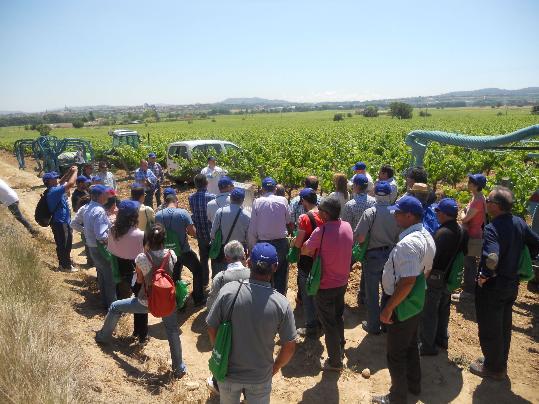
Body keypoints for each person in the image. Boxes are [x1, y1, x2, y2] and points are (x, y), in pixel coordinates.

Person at [206, 242, 297, 403]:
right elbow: (289, 346)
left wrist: (219, 352)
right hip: (260, 377)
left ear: (248, 262)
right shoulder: (281, 304)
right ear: (275, 267)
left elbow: (212, 327)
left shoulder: (228, 291)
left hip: (227, 373)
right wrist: (274, 368)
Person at [95, 223, 187, 379]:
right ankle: (178, 367)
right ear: (163, 239)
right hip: (168, 302)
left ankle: (103, 337)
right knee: (172, 331)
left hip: (147, 302)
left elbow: (138, 279)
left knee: (115, 307)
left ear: (147, 239)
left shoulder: (142, 258)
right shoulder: (171, 254)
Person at [469, 187, 539, 380]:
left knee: (490, 327)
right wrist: (522, 258)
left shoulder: (493, 228)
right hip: (511, 285)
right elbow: (535, 242)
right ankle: (499, 362)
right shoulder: (519, 222)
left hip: (493, 287)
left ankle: (493, 368)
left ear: (496, 206)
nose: (486, 203)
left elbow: (492, 257)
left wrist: (485, 275)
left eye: (489, 201)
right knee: (503, 325)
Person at [373, 196, 436, 404]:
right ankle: (413, 384)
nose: (394, 215)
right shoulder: (426, 235)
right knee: (409, 345)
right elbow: (424, 272)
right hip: (415, 300)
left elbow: (407, 281)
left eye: (398, 213)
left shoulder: (408, 244)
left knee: (395, 353)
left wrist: (388, 308)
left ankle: (397, 397)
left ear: (409, 216)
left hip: (401, 301)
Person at [303, 196, 353, 370]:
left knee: (328, 323)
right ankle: (340, 346)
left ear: (325, 214)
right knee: (338, 316)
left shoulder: (321, 231)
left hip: (325, 285)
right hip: (342, 282)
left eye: (320, 212)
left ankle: (335, 362)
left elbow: (306, 249)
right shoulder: (347, 226)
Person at [419, 198, 466, 355]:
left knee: (430, 312)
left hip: (436, 278)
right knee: (444, 309)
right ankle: (441, 339)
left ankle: (427, 346)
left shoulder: (442, 233)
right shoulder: (461, 231)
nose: (436, 214)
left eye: (438, 211)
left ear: (445, 214)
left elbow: (432, 258)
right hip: (450, 278)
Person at [355, 181, 399, 334]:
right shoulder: (396, 212)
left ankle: (373, 326)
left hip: (373, 256)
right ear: (389, 195)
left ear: (375, 194)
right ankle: (387, 322)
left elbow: (360, 238)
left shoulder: (370, 212)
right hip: (392, 255)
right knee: (389, 289)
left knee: (372, 292)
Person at [106, 200, 148, 344]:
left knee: (121, 298)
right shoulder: (140, 235)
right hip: (135, 271)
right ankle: (141, 335)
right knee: (140, 302)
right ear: (134, 216)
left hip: (119, 268)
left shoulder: (112, 230)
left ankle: (119, 327)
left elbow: (110, 249)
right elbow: (144, 256)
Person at [156, 193, 206, 306]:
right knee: (197, 270)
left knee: (174, 276)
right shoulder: (183, 213)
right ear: (176, 201)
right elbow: (192, 231)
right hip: (183, 251)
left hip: (167, 253)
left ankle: (177, 301)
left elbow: (157, 233)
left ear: (165, 202)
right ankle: (198, 299)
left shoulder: (158, 215)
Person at [247, 177, 292, 296]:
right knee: (281, 275)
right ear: (275, 188)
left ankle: (263, 299)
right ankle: (280, 300)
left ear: (262, 189)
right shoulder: (283, 200)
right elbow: (289, 220)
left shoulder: (257, 202)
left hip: (263, 244)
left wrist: (251, 247)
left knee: (263, 274)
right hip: (281, 243)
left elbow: (253, 227)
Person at [293, 188, 323, 338]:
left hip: (307, 259)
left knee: (307, 293)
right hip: (322, 259)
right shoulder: (325, 215)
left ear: (304, 201)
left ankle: (311, 326)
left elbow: (299, 243)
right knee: (319, 291)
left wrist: (292, 243)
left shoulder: (304, 218)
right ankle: (321, 322)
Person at [342, 174, 375, 305]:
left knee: (344, 271)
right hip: (369, 243)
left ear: (356, 186)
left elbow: (346, 226)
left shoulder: (350, 205)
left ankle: (340, 294)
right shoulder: (373, 202)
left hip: (353, 244)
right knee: (366, 274)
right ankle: (363, 299)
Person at [453, 173, 487, 302]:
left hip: (473, 236)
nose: (468, 184)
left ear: (476, 186)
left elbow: (465, 218)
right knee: (470, 262)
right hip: (474, 234)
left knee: (469, 263)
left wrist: (462, 212)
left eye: (470, 182)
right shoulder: (478, 197)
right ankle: (469, 288)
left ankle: (469, 291)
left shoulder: (477, 201)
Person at [84, 184, 116, 308]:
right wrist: (113, 243)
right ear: (99, 196)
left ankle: (104, 301)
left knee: (102, 275)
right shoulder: (99, 211)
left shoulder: (89, 207)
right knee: (110, 278)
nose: (107, 196)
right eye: (105, 194)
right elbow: (102, 236)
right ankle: (112, 308)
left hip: (92, 246)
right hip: (100, 248)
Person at [44, 167, 78, 272]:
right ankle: (66, 266)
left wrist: (68, 172)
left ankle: (64, 264)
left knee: (62, 243)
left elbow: (61, 182)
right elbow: (71, 184)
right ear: (49, 181)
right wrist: (75, 172)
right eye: (54, 178)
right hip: (61, 222)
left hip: (59, 221)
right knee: (65, 244)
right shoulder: (54, 191)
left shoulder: (52, 189)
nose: (57, 179)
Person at [210, 188, 251, 276]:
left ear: (231, 198)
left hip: (222, 250)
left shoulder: (220, 212)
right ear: (243, 200)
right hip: (240, 250)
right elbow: (249, 237)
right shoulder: (247, 215)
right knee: (238, 277)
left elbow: (213, 234)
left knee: (220, 275)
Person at [206, 240, 250, 312]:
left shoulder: (219, 277)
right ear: (243, 255)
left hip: (227, 319)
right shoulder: (253, 275)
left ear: (226, 257)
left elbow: (211, 305)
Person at [189, 174, 217, 285]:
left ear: (195, 185)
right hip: (212, 233)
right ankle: (215, 281)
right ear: (207, 183)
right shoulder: (212, 197)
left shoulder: (191, 197)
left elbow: (194, 213)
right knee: (214, 258)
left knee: (203, 259)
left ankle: (205, 281)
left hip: (200, 233)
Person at [71, 194, 93, 267]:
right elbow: (73, 224)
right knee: (89, 247)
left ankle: (90, 262)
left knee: (87, 247)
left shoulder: (82, 210)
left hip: (85, 233)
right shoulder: (85, 211)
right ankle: (90, 262)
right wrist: (85, 230)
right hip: (87, 233)